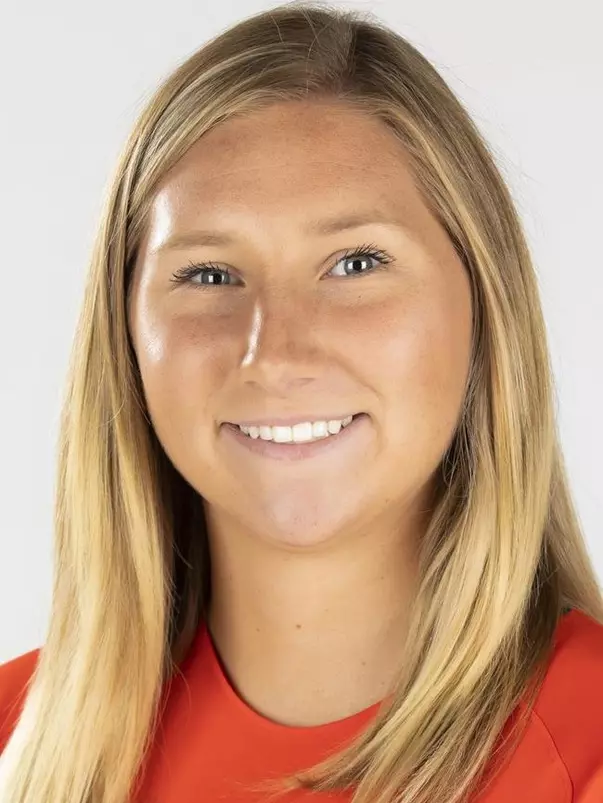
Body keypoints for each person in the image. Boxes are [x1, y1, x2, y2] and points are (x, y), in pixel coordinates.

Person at [1, 2, 602, 802]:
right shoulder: (19, 737)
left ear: (483, 304)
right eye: (209, 274)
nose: (275, 351)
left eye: (355, 262)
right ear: (126, 333)